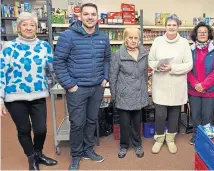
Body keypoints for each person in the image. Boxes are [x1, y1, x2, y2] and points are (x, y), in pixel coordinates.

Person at [53, 3, 111, 170]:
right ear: (80, 16)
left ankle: (88, 149)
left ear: (97, 16)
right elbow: (59, 62)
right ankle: (76, 155)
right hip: (77, 89)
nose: (90, 17)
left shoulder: (103, 36)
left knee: (92, 120)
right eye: (86, 14)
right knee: (78, 123)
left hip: (97, 87)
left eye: (93, 14)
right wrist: (70, 85)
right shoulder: (68, 36)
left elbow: (107, 59)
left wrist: (105, 78)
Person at [0, 12, 57, 170]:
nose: (29, 27)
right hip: (14, 97)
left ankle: (39, 153)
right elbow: (1, 72)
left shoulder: (44, 46)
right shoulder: (9, 47)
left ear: (36, 27)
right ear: (19, 27)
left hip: (38, 95)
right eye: (25, 24)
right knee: (24, 129)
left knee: (41, 129)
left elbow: (51, 70)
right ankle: (31, 158)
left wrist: (50, 86)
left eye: (32, 24)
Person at [148, 14, 193, 154]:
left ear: (178, 26)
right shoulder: (157, 41)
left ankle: (171, 139)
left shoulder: (184, 43)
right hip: (161, 84)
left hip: (177, 85)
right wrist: (158, 66)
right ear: (165, 26)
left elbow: (189, 64)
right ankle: (159, 139)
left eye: (174, 25)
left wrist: (172, 68)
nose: (171, 27)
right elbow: (151, 60)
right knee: (160, 114)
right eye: (169, 25)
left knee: (174, 114)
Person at [109, 27, 148, 159]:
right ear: (125, 38)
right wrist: (115, 97)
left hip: (138, 95)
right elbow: (113, 77)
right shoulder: (118, 55)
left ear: (139, 39)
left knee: (137, 123)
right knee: (124, 124)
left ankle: (137, 145)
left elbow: (144, 74)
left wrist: (144, 93)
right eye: (130, 38)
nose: (133, 40)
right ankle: (124, 145)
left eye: (136, 38)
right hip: (124, 95)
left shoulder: (144, 53)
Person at [187, 22, 214, 145]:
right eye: (200, 32)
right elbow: (187, 69)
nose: (202, 34)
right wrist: (196, 84)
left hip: (210, 90)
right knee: (195, 114)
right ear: (195, 34)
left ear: (209, 34)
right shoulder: (189, 50)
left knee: (207, 115)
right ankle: (196, 135)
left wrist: (204, 85)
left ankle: (206, 136)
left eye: (205, 32)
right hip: (194, 89)